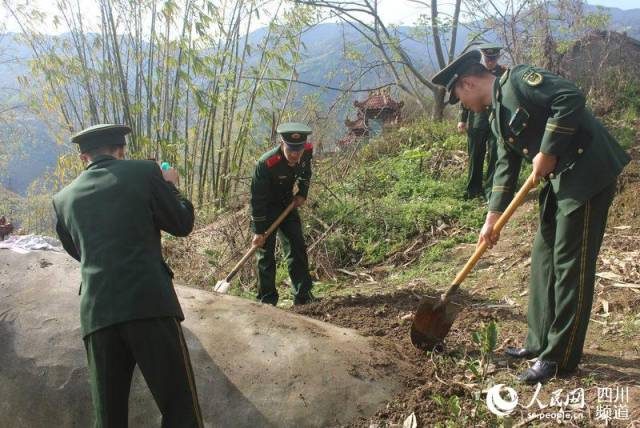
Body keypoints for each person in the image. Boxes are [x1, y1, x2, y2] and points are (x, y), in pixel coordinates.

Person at [432, 51, 630, 384]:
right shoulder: (496, 116)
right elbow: (504, 168)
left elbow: (570, 97)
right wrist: (492, 218)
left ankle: (559, 357)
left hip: (587, 174)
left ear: (467, 83)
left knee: (571, 265)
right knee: (543, 257)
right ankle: (538, 341)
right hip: (559, 180)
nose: (463, 105)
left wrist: (548, 149)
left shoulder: (521, 81)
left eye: (459, 99)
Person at [53, 124, 203, 427]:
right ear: (121, 150)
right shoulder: (145, 173)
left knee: (109, 419)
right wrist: (170, 184)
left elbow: (78, 251)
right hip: (149, 304)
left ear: (84, 157)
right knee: (179, 410)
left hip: (98, 315)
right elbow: (182, 222)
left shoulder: (62, 199)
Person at [250, 122, 315, 306]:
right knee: (265, 254)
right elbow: (257, 199)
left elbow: (306, 173)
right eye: (291, 149)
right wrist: (258, 231)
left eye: (299, 149)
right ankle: (267, 300)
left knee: (297, 246)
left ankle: (303, 296)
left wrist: (302, 192)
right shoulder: (266, 163)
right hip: (267, 208)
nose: (295, 154)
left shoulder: (306, 151)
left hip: (287, 204)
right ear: (282, 143)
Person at [457, 43, 507, 200]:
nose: (490, 61)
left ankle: (491, 190)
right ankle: (473, 189)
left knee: (494, 154)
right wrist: (462, 119)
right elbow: (465, 96)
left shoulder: (504, 73)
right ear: (484, 57)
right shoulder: (476, 72)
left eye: (493, 58)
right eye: (487, 58)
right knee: (475, 154)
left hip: (497, 120)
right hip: (477, 119)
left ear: (498, 57)